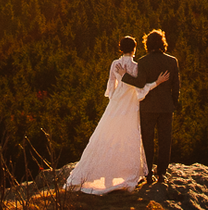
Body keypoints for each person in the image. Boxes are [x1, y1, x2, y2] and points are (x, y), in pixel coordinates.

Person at [64, 35, 151, 194]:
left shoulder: (114, 64)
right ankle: (125, 170)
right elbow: (140, 89)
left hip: (117, 101)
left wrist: (114, 99)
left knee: (108, 132)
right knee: (129, 134)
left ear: (120, 48)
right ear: (134, 49)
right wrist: (154, 84)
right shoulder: (137, 66)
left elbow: (112, 84)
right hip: (131, 103)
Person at [133, 28, 181, 185]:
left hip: (147, 107)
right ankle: (161, 173)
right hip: (166, 106)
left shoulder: (142, 61)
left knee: (147, 140)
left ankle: (147, 174)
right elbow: (176, 86)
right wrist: (173, 103)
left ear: (147, 44)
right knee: (165, 140)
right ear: (162, 43)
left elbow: (140, 85)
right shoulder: (172, 61)